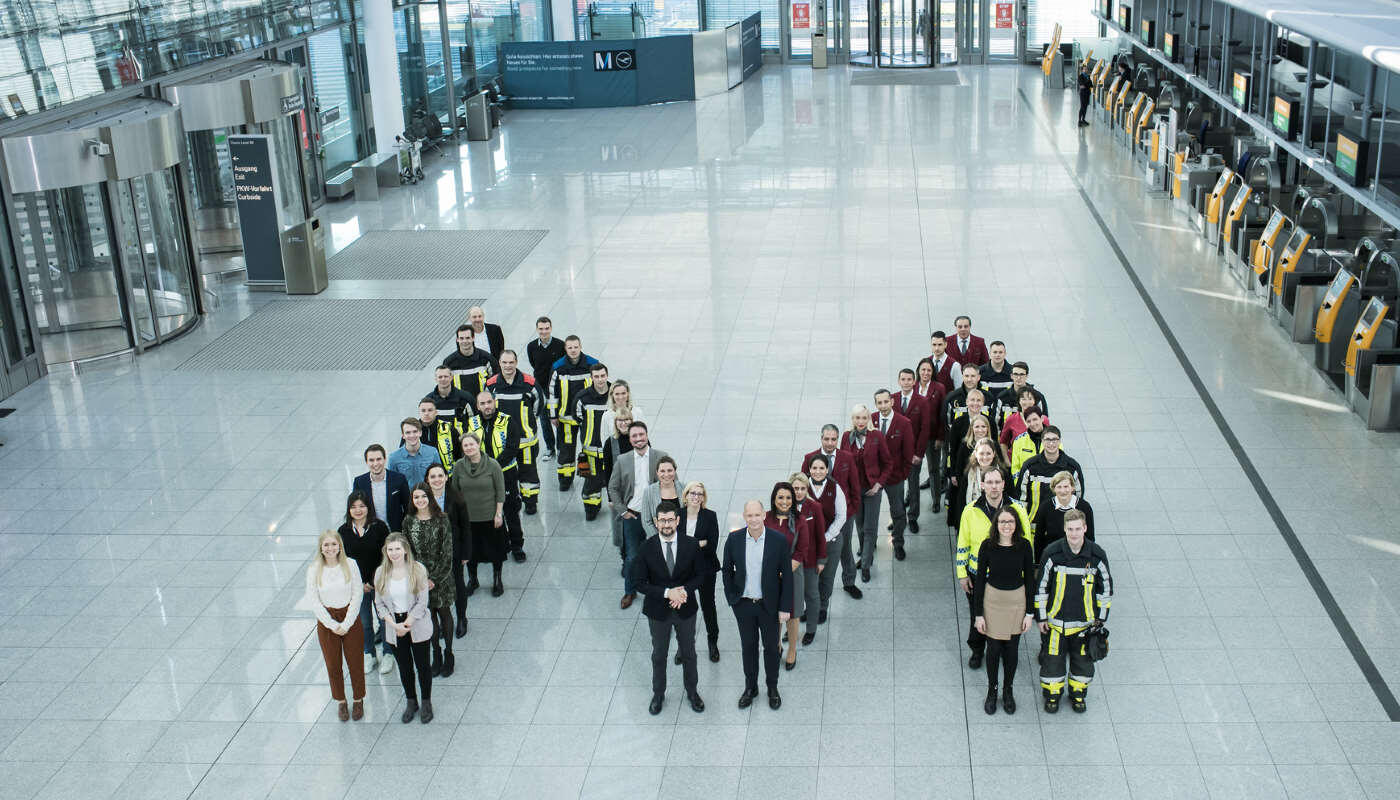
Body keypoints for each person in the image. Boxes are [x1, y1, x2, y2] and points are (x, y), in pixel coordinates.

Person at [633, 500, 706, 715]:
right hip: (658, 612)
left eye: (670, 520)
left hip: (685, 608)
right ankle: (658, 694)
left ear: (678, 520)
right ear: (656, 522)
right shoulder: (646, 547)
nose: (666, 524)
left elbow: (701, 575)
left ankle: (692, 692)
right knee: (659, 654)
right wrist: (668, 593)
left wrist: (682, 591)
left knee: (689, 653)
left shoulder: (691, 544)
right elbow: (639, 582)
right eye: (662, 520)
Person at [1036, 511, 1111, 713]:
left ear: (1085, 528)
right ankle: (1052, 695)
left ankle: (1078, 694)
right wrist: (1041, 617)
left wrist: (1100, 619)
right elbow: (1041, 587)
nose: (1074, 534)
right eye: (1070, 529)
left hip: (1085, 625)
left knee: (1083, 662)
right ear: (1064, 529)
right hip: (1054, 623)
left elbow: (1105, 590)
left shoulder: (1097, 555)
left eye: (1078, 529)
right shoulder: (1052, 553)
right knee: (1053, 661)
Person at [721, 500, 793, 711]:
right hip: (744, 605)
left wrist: (785, 607)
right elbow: (726, 570)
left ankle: (772, 688)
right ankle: (750, 688)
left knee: (771, 648)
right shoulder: (734, 540)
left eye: (757, 515)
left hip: (768, 606)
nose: (753, 519)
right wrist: (732, 598)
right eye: (749, 515)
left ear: (764, 515)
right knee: (748, 647)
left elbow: (787, 576)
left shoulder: (778, 540)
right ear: (744, 517)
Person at [956, 469, 1031, 669]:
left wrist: (1023, 576)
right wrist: (962, 574)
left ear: (1004, 484)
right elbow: (962, 542)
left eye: (998, 482)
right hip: (976, 575)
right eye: (989, 482)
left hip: (1007, 576)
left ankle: (1002, 648)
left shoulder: (1017, 509)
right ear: (982, 485)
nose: (994, 486)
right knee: (977, 613)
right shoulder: (970, 510)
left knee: (1006, 615)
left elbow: (1026, 544)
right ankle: (978, 649)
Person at [973, 508, 1036, 715]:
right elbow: (980, 580)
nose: (1006, 525)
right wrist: (978, 614)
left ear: (1016, 524)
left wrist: (1029, 613)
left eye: (1010, 521)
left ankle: (1008, 690)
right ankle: (993, 689)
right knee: (993, 650)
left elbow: (1029, 579)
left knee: (1012, 649)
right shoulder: (987, 546)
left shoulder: (1024, 546)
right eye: (1002, 522)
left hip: (1016, 601)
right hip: (993, 602)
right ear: (996, 525)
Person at [373, 533, 434, 723]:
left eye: (397, 549)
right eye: (390, 549)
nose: (394, 553)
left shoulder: (418, 570)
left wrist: (406, 624)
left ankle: (426, 702)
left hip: (416, 623)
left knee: (423, 666)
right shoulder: (380, 573)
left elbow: (422, 602)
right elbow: (379, 604)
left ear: (405, 550)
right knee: (404, 667)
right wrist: (394, 625)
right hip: (394, 627)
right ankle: (411, 701)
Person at [306, 529, 366, 721]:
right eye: (326, 545)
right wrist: (332, 625)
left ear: (340, 546)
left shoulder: (350, 564)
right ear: (321, 548)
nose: (330, 548)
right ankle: (341, 701)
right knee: (333, 664)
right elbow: (314, 601)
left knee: (355, 661)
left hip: (350, 617)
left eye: (334, 544)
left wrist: (347, 623)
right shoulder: (314, 569)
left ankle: (358, 699)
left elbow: (358, 594)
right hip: (327, 621)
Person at [608, 421, 668, 609]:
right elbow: (613, 487)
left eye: (641, 435)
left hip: (656, 518)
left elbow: (672, 483)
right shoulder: (623, 460)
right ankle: (630, 591)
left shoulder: (661, 457)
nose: (638, 439)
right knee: (632, 556)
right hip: (632, 516)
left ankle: (660, 591)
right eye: (634, 436)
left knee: (659, 555)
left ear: (647, 435)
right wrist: (623, 511)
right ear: (630, 439)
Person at [802, 425, 863, 601]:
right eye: (826, 439)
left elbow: (854, 486)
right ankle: (817, 589)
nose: (830, 443)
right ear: (821, 438)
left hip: (843, 516)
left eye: (833, 439)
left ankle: (849, 582)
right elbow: (802, 486)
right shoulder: (809, 458)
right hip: (815, 518)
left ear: (838, 440)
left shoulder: (847, 458)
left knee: (844, 549)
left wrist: (849, 513)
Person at [465, 390, 527, 562]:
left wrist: (492, 467)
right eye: (482, 404)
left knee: (511, 510)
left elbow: (512, 447)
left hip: (506, 474)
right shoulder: (471, 423)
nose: (487, 406)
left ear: (495, 402)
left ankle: (517, 546)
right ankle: (498, 545)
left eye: (489, 402)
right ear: (477, 406)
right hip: (480, 477)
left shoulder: (507, 421)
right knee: (487, 512)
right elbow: (466, 447)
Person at [338, 493, 393, 675]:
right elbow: (342, 561)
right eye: (354, 507)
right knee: (364, 622)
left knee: (385, 620)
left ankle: (388, 653)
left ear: (368, 507)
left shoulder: (379, 527)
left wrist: (372, 581)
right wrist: (360, 583)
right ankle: (368, 653)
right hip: (357, 586)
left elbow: (387, 556)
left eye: (361, 506)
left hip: (380, 583)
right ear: (349, 510)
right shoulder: (344, 531)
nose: (358, 510)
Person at [403, 482, 455, 678]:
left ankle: (449, 652)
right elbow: (408, 551)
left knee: (444, 613)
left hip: (441, 577)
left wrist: (434, 579)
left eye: (423, 496)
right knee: (428, 617)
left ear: (430, 498)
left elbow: (447, 552)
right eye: (416, 497)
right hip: (419, 578)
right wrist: (420, 577)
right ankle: (436, 654)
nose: (420, 500)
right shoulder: (408, 521)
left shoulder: (442, 519)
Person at [446, 433, 507, 597]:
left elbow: (500, 491)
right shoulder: (459, 466)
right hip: (468, 518)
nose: (468, 448)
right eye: (465, 446)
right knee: (470, 552)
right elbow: (455, 491)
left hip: (490, 516)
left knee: (495, 550)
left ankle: (497, 579)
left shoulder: (493, 465)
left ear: (478, 444)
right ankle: (473, 579)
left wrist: (498, 514)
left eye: (471, 444)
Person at [486, 350, 544, 515]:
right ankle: (508, 499)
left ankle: (530, 501)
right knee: (505, 471)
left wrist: (528, 423)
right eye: (504, 363)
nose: (508, 366)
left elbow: (539, 404)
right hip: (501, 440)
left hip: (525, 440)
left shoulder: (529, 383)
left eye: (511, 362)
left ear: (516, 363)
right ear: (499, 363)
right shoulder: (491, 384)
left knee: (528, 471)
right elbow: (486, 406)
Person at [842, 404, 892, 582]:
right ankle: (866, 554)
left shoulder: (877, 436)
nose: (861, 421)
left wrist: (878, 485)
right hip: (855, 490)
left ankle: (865, 565)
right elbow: (842, 463)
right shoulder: (847, 437)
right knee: (860, 526)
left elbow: (887, 463)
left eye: (864, 418)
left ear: (869, 418)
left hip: (872, 489)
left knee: (870, 528)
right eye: (857, 418)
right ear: (852, 419)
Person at [765, 483, 809, 669]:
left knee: (792, 614)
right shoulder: (766, 518)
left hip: (793, 572)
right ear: (774, 499)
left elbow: (802, 550)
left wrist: (784, 570)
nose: (784, 501)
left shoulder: (800, 521)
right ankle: (776, 645)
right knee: (774, 612)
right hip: (769, 573)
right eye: (780, 497)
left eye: (788, 497)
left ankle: (792, 649)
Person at [679, 481, 722, 662]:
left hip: (705, 568)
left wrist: (687, 544)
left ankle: (713, 642)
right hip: (682, 570)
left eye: (700, 494)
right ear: (686, 496)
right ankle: (683, 646)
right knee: (683, 608)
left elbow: (711, 545)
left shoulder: (710, 516)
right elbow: (672, 542)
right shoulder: (677, 515)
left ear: (703, 498)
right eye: (692, 493)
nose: (696, 497)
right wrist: (698, 543)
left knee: (708, 606)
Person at [549, 335, 598, 490]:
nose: (573, 350)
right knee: (566, 451)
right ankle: (565, 479)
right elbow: (552, 393)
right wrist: (553, 415)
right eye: (570, 347)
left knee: (589, 449)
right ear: (565, 349)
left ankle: (589, 479)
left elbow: (601, 386)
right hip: (566, 418)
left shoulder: (592, 364)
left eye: (576, 347)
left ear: (580, 346)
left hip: (587, 418)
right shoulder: (558, 367)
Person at [424, 464, 468, 638]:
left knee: (458, 584)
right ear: (427, 479)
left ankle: (462, 618)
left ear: (446, 477)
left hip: (454, 550)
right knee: (438, 586)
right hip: (432, 553)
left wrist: (466, 552)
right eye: (432, 477)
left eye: (440, 476)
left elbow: (465, 527)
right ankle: (444, 621)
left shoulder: (456, 498)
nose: (437, 480)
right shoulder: (422, 498)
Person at [803, 457, 847, 625]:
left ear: (827, 470)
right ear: (809, 469)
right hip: (808, 544)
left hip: (831, 541)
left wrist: (826, 536)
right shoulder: (803, 487)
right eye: (814, 468)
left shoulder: (835, 488)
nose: (818, 471)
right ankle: (811, 606)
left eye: (822, 468)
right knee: (810, 578)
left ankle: (822, 607)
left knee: (826, 578)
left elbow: (842, 516)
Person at [1013, 424, 1085, 526]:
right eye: (1047, 440)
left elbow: (1078, 498)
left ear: (1059, 441)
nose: (1051, 443)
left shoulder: (1072, 468)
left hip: (1063, 527)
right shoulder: (1030, 466)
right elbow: (1021, 499)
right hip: (1034, 526)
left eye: (1055, 439)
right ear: (1042, 441)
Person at [872, 389, 914, 560]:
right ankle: (869, 543)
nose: (883, 406)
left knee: (897, 512)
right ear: (876, 404)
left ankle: (898, 543)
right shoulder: (870, 419)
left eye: (885, 402)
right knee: (870, 513)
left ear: (892, 401)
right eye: (879, 403)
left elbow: (908, 452)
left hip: (894, 477)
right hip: (872, 477)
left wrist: (903, 474)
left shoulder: (904, 423)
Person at [787, 474, 827, 646]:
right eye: (796, 488)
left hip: (809, 560)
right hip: (789, 560)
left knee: (811, 594)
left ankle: (811, 629)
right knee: (792, 597)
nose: (799, 492)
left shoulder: (814, 507)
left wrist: (821, 560)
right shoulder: (783, 506)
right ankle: (791, 631)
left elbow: (820, 536)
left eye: (803, 488)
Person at [571, 363, 613, 519]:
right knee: (591, 481)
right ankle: (591, 508)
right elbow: (577, 417)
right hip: (591, 449)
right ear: (591, 378)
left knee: (614, 480)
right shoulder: (582, 397)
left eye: (603, 376)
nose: (600, 379)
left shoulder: (615, 394)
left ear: (607, 376)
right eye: (596, 376)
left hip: (612, 449)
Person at [895, 369, 932, 533]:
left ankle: (912, 517)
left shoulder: (922, 401)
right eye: (903, 379)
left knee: (913, 485)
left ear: (914, 381)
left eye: (909, 379)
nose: (906, 382)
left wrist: (919, 453)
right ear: (899, 381)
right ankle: (898, 517)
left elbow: (925, 429)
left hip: (913, 454)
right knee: (896, 488)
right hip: (895, 454)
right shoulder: (892, 399)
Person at [1031, 471, 1095, 563]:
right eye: (1059, 487)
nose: (1063, 491)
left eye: (1066, 486)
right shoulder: (1045, 507)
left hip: (1078, 557)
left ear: (1072, 488)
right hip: (1053, 557)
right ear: (1053, 489)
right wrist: (1038, 564)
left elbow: (1090, 537)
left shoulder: (1084, 507)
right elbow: (1039, 538)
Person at [946, 416, 996, 528]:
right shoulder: (965, 445)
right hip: (968, 488)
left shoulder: (994, 445)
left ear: (988, 428)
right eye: (977, 426)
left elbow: (1001, 469)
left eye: (983, 426)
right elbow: (959, 468)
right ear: (972, 428)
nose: (980, 429)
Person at [526, 317, 566, 459]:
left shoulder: (560, 345)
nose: (544, 331)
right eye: (541, 329)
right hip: (541, 388)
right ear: (537, 329)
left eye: (546, 328)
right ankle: (550, 447)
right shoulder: (531, 346)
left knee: (559, 418)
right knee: (544, 419)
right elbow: (533, 363)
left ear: (551, 328)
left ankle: (561, 447)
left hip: (557, 388)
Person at [602, 411, 635, 574]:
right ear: (616, 423)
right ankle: (625, 560)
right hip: (619, 494)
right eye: (620, 420)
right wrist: (610, 497)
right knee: (621, 529)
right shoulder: (610, 443)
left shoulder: (639, 439)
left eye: (627, 419)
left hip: (637, 492)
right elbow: (607, 471)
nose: (624, 423)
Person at [913, 357, 947, 512]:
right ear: (918, 371)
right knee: (913, 470)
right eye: (923, 370)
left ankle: (936, 500)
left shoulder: (939, 388)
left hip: (933, 436)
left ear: (933, 372)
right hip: (914, 438)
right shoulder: (912, 387)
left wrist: (940, 437)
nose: (925, 373)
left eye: (929, 370)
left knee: (933, 469)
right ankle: (910, 496)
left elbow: (942, 414)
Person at [353, 445, 409, 531]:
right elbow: (356, 509)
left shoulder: (399, 479)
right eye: (371, 460)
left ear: (385, 459)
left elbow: (407, 508)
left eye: (379, 459)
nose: (375, 464)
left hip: (395, 532)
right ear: (366, 462)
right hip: (372, 533)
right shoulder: (359, 482)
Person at [444, 324, 497, 396]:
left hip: (483, 404)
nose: (465, 341)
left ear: (473, 338)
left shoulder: (486, 358)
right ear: (457, 340)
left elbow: (496, 381)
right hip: (460, 404)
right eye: (461, 338)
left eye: (467, 338)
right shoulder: (449, 362)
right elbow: (444, 385)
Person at [997, 387, 1046, 463]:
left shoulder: (1043, 419)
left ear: (1034, 401)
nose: (1027, 402)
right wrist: (1008, 463)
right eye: (1023, 399)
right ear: (1019, 401)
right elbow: (1003, 443)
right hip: (1016, 463)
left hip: (1039, 463)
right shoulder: (1011, 419)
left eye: (1030, 399)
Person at [993, 361, 1047, 429]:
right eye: (1016, 374)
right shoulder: (1002, 397)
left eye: (1022, 374)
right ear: (1011, 376)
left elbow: (1044, 421)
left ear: (1027, 376)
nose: (1018, 378)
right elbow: (995, 421)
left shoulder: (1038, 397)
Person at [390, 418, 443, 487]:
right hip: (406, 497)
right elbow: (392, 484)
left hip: (429, 496)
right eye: (408, 432)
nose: (412, 435)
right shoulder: (394, 458)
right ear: (403, 435)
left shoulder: (433, 453)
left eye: (415, 431)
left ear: (420, 433)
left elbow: (439, 478)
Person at [640, 455, 682, 539]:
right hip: (658, 539)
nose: (666, 474)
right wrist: (659, 539)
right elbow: (646, 521)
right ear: (657, 472)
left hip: (683, 538)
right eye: (662, 471)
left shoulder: (684, 488)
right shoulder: (648, 492)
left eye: (669, 470)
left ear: (675, 471)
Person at [415, 397, 462, 472]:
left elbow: (460, 455)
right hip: (421, 478)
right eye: (423, 411)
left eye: (430, 410)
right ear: (419, 412)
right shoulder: (412, 431)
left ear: (436, 412)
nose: (426, 413)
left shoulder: (448, 428)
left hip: (446, 477)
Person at [1006, 407, 1047, 476]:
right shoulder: (1019, 440)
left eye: (1035, 419)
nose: (1032, 424)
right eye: (1028, 421)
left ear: (1042, 418)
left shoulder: (1053, 438)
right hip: (1025, 485)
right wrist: (1020, 485)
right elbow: (1015, 469)